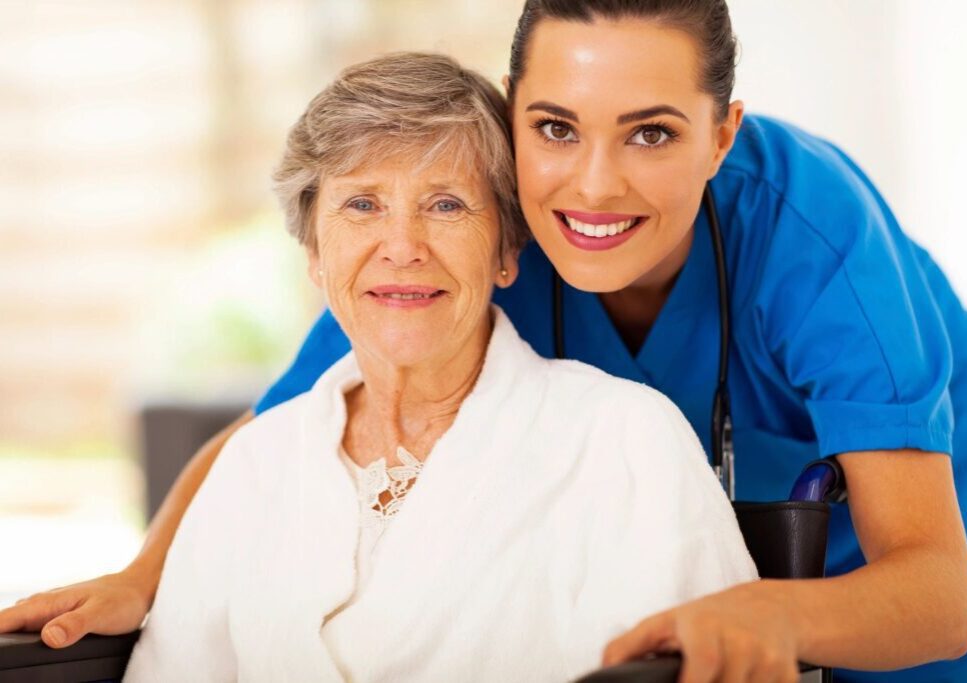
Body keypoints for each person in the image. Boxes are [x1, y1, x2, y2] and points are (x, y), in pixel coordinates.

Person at [2, 0, 967, 681]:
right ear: (514, 112)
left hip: (918, 558)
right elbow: (278, 434)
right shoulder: (481, 217)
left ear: (721, 136)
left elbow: (936, 589)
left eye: (651, 134)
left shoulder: (813, 237)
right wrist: (141, 580)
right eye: (555, 126)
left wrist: (778, 609)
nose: (592, 187)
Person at [119, 52, 756, 681]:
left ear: (508, 252)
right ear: (314, 253)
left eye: (446, 205)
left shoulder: (623, 439)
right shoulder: (254, 463)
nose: (402, 248)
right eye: (362, 205)